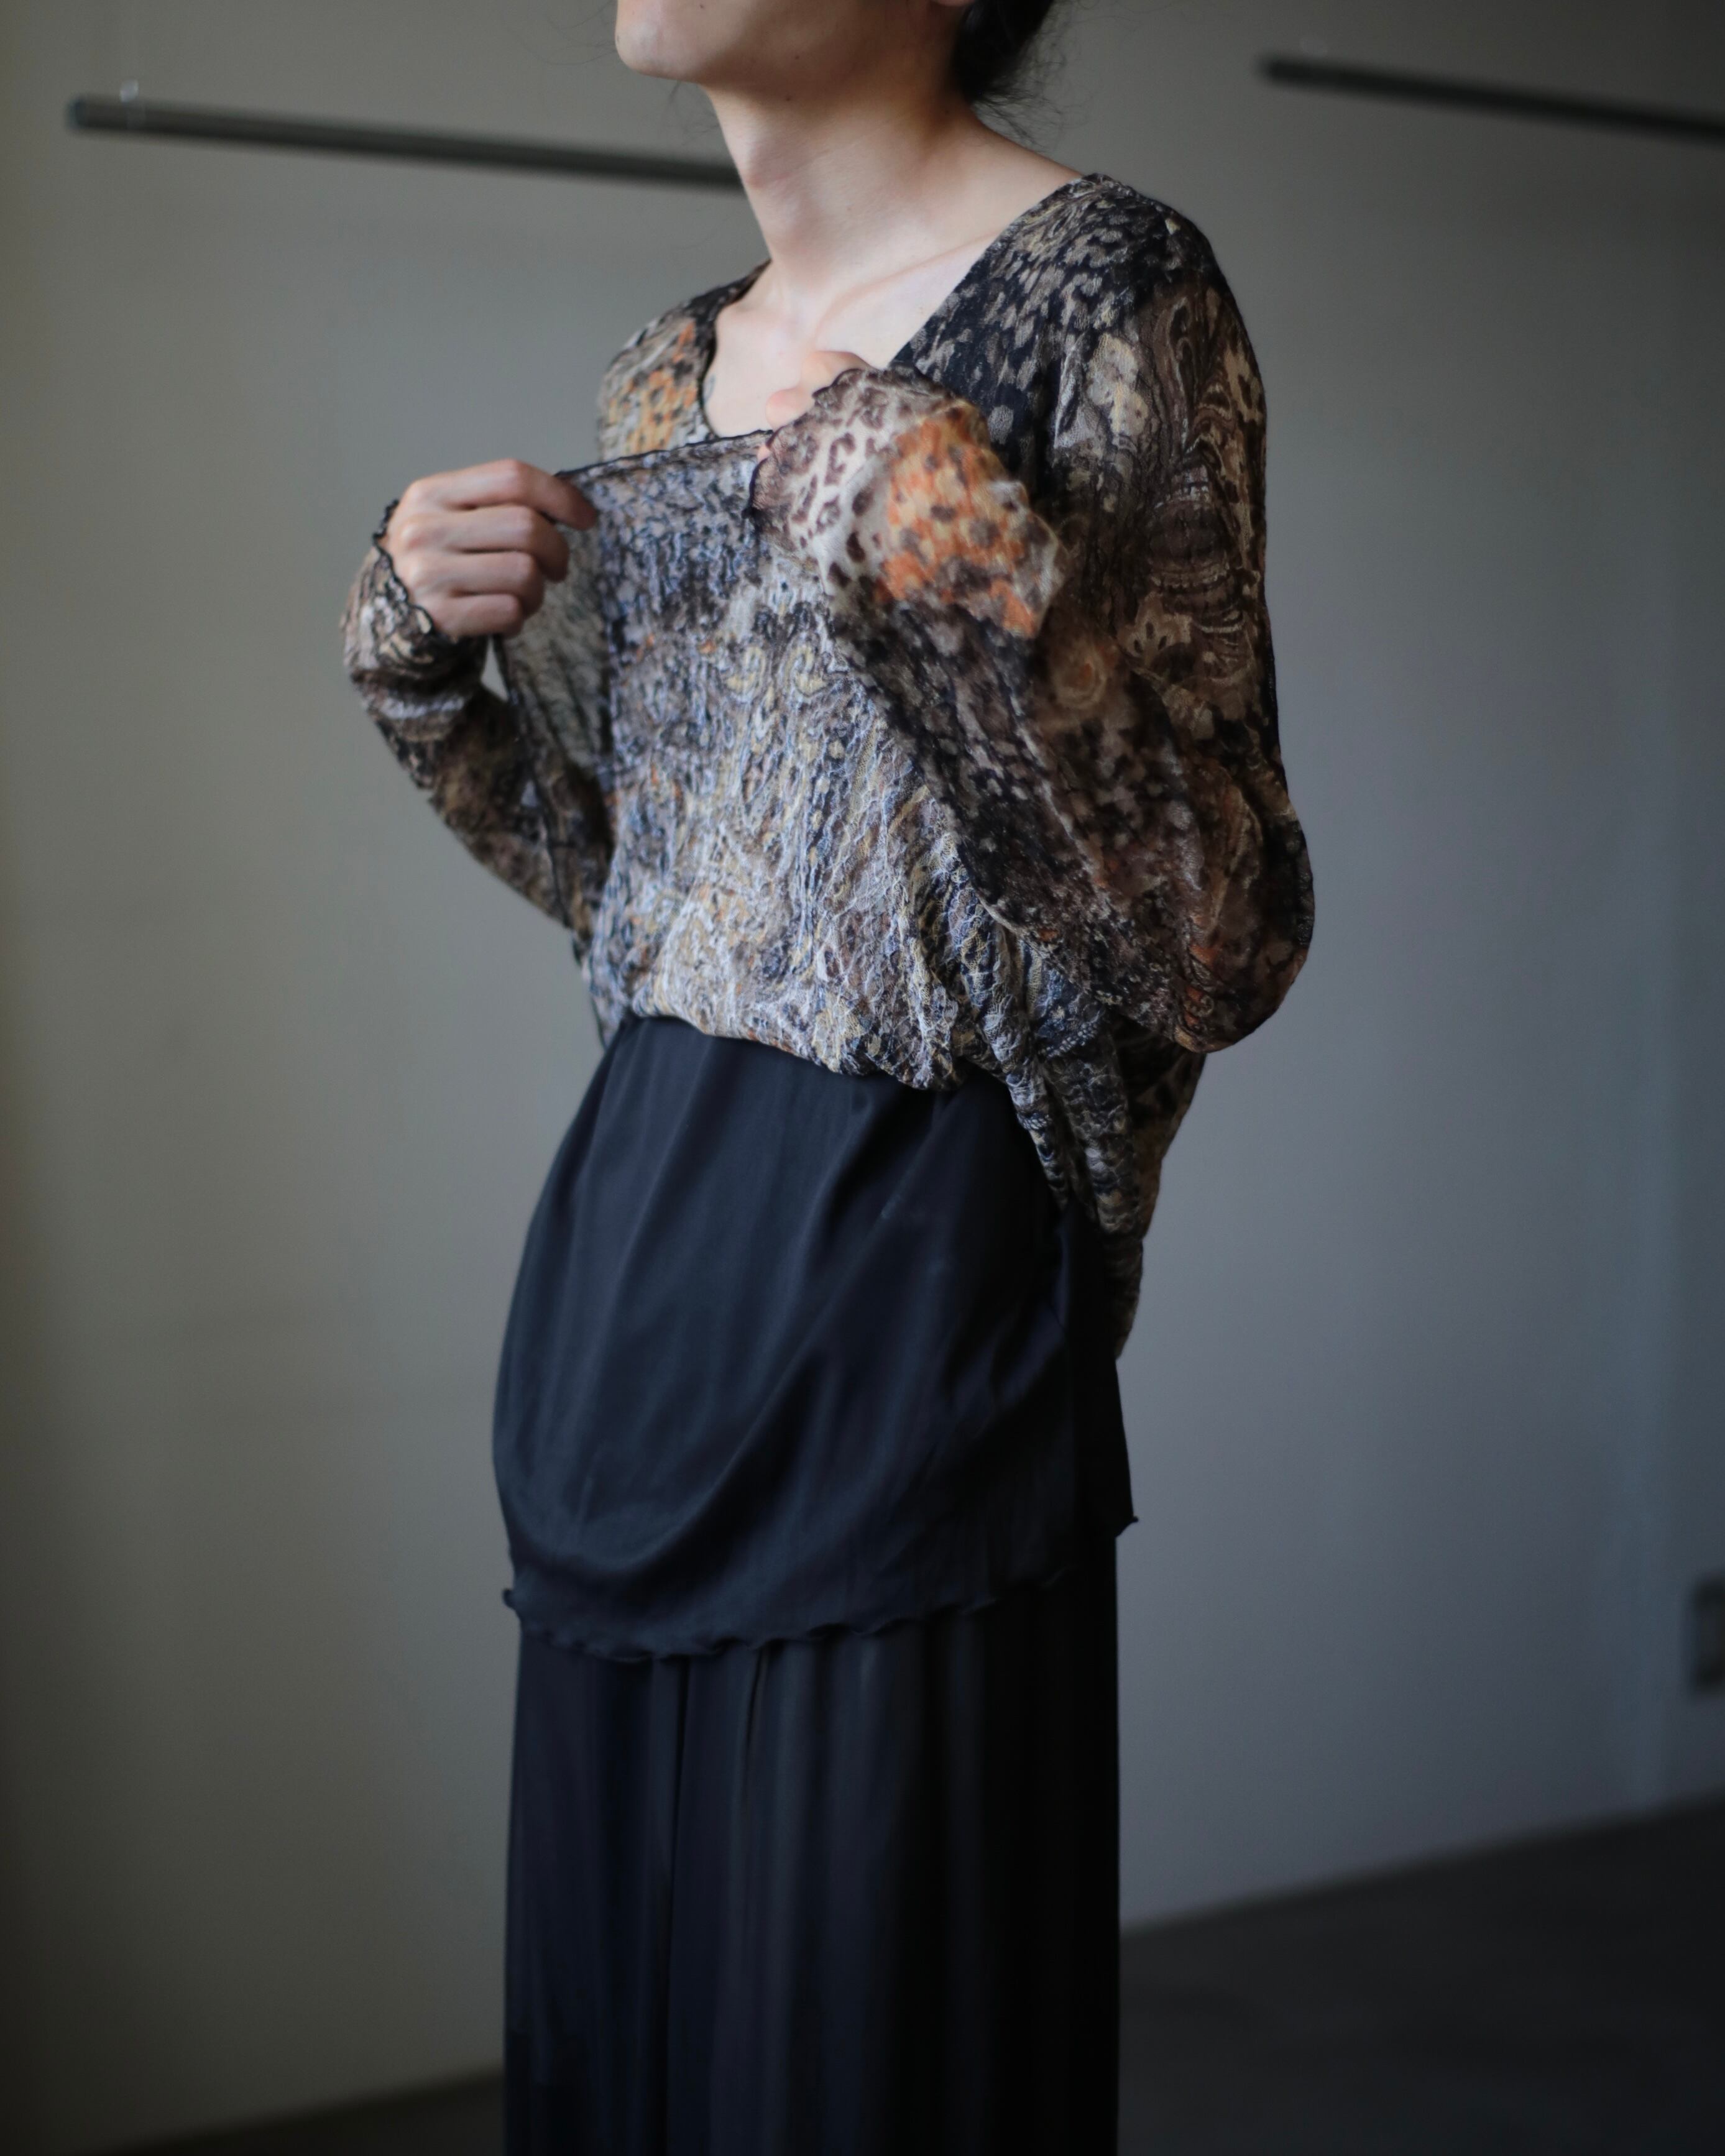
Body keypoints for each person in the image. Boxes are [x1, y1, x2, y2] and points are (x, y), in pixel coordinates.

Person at [343, 1, 1313, 2148]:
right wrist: (420, 677)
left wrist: (969, 575)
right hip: (632, 1285)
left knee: (857, 2055)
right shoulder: (663, 373)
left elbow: (1219, 934)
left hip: (905, 1307)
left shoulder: (1106, 290)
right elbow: (662, 895)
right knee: (633, 2052)